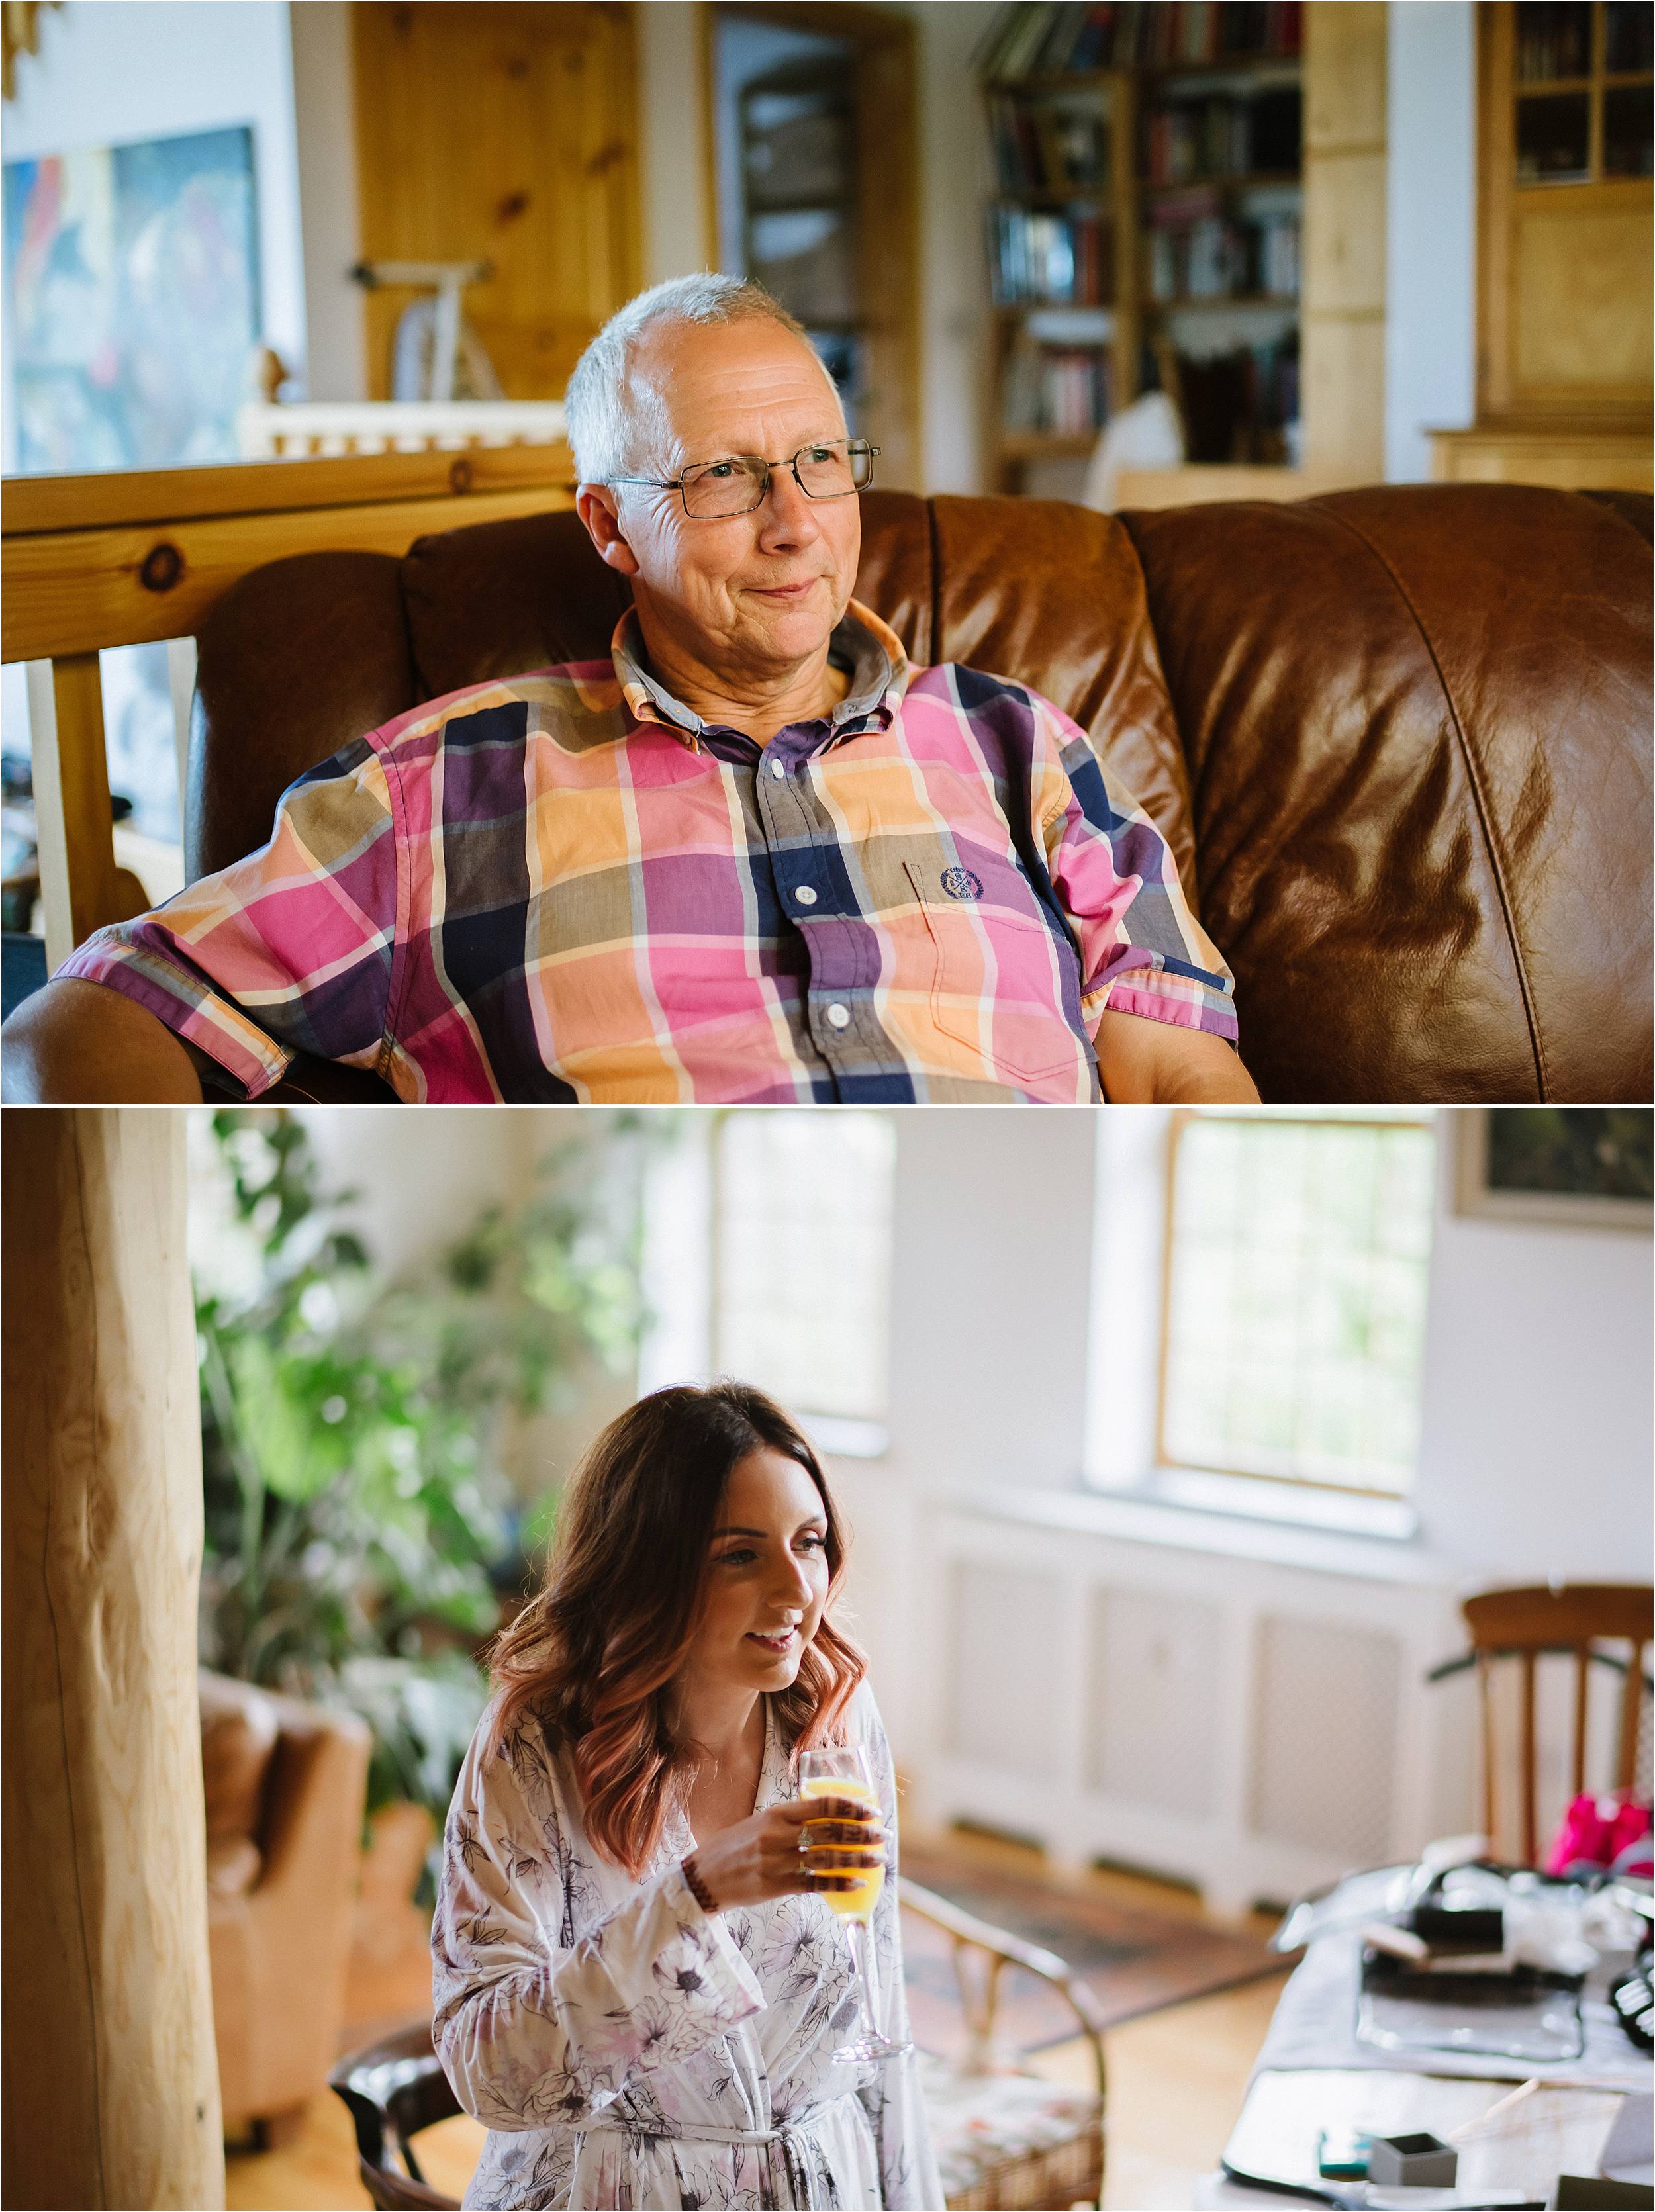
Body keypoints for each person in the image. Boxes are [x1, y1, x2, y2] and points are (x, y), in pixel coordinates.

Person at [6, 274, 1259, 1106]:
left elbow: (1184, 1091)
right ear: (610, 524)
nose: (797, 528)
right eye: (723, 478)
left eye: (821, 462)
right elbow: (103, 1012)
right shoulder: (441, 788)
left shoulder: (1016, 745)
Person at [432, 1381, 941, 2211]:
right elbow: (488, 2074)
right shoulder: (536, 1745)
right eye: (740, 1554)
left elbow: (880, 2028)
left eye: (807, 1542)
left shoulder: (833, 1719)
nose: (796, 1593)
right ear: (649, 1566)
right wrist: (695, 1894)